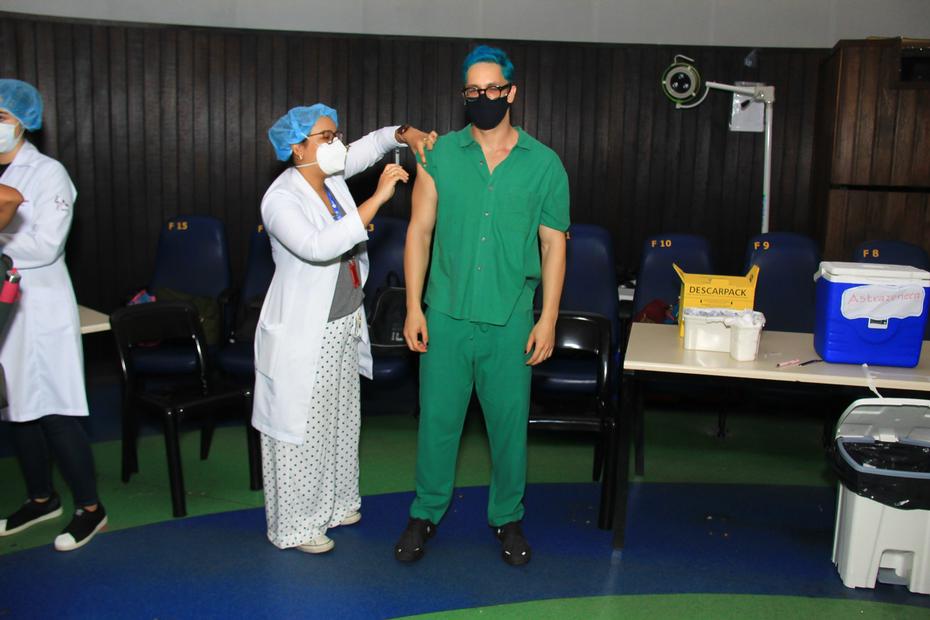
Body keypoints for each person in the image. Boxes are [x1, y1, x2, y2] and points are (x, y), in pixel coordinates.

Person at [395, 46, 569, 566]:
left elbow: (554, 244)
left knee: (509, 429)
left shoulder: (544, 164)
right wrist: (412, 307)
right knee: (437, 424)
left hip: (511, 317)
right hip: (444, 312)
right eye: (473, 91)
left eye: (492, 89)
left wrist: (549, 317)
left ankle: (507, 517)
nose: (483, 98)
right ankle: (425, 512)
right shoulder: (440, 154)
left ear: (511, 93)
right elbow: (419, 232)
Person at [253, 103, 436, 554]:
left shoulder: (329, 179)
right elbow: (317, 247)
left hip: (342, 321)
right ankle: (296, 525)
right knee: (303, 430)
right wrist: (375, 200)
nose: (337, 145)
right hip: (304, 330)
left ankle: (334, 504)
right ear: (297, 148)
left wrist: (406, 135)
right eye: (326, 137)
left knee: (338, 422)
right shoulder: (280, 200)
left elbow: (374, 144)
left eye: (336, 135)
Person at [0, 79, 108, 551]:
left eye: (2, 117)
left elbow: (45, 246)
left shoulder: (47, 174)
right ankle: (41, 497)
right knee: (16, 410)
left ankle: (90, 507)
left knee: (55, 410)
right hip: (5, 310)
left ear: (24, 122)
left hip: (39, 306)